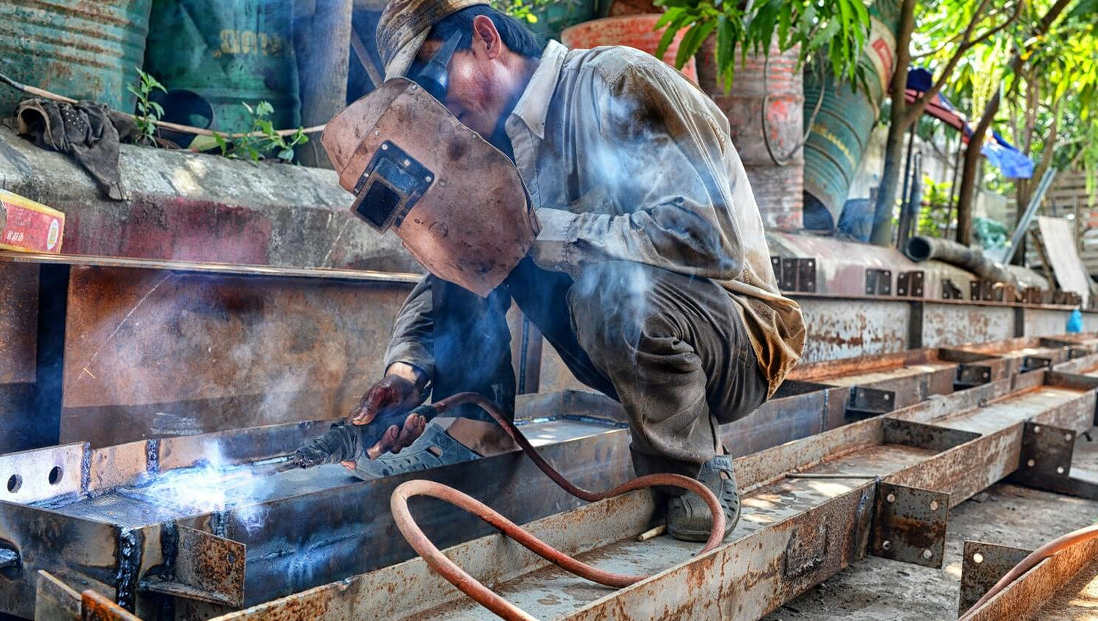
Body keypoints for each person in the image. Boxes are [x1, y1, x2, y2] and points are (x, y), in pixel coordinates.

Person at [295, 0, 805, 541]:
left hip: (737, 337)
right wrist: (408, 370)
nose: (434, 106)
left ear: (487, 38)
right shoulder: (490, 149)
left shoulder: (619, 81)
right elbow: (453, 271)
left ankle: (691, 472)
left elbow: (709, 237)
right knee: (478, 233)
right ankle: (476, 434)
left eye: (432, 78)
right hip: (627, 341)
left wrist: (542, 230)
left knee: (603, 288)